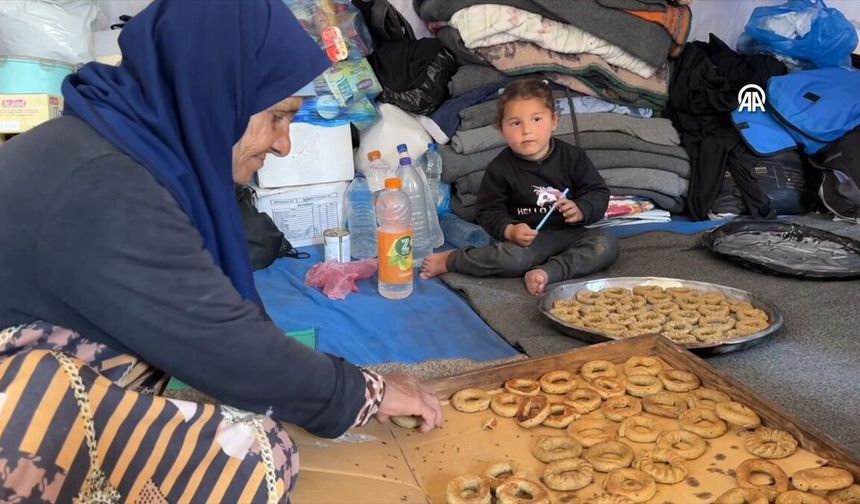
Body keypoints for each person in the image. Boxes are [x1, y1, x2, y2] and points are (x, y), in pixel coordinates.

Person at [0, 1, 441, 502]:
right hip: (15, 397)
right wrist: (365, 391)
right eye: (278, 117)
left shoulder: (122, 150)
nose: (283, 146)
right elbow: (223, 344)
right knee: (256, 456)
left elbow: (210, 315)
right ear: (212, 94)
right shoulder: (103, 183)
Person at [421, 79, 619, 295]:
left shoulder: (573, 157)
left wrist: (582, 209)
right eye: (516, 123)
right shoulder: (500, 168)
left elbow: (597, 192)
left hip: (571, 234)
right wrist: (510, 229)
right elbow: (488, 212)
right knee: (511, 260)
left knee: (606, 245)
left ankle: (547, 273)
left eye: (536, 119)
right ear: (501, 129)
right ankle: (452, 260)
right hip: (527, 242)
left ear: (554, 121)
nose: (527, 130)